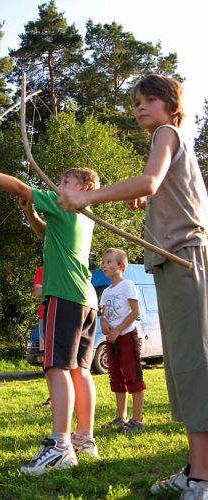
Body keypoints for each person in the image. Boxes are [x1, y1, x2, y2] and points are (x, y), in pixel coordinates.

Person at [58, 75, 208, 499]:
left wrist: (89, 198)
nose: (140, 107)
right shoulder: (169, 138)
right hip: (173, 260)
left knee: (195, 364)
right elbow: (161, 190)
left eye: (150, 99)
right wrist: (149, 201)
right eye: (137, 101)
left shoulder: (166, 132)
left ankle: (202, 477)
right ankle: (195, 465)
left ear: (170, 104)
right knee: (182, 366)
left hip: (185, 258)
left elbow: (150, 181)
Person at [0, 152, 100, 475]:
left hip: (65, 296)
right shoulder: (81, 216)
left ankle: (59, 445)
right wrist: (30, 214)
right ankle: (84, 438)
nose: (58, 186)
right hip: (86, 299)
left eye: (65, 181)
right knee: (80, 370)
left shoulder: (70, 205)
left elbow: (21, 188)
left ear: (83, 185)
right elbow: (44, 234)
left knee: (56, 367)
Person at [99, 248, 146, 433]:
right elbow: (103, 313)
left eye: (109, 262)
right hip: (112, 340)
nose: (104, 265)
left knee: (133, 376)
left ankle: (137, 419)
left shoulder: (128, 285)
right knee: (117, 378)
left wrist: (118, 330)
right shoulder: (105, 291)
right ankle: (121, 417)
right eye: (103, 262)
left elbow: (135, 312)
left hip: (126, 336)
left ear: (121, 266)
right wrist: (103, 322)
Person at [33, 265, 51, 407]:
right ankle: (53, 396)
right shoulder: (42, 269)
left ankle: (67, 395)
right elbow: (37, 292)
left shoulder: (65, 265)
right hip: (43, 318)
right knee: (47, 358)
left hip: (62, 315)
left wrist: (47, 288)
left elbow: (42, 290)